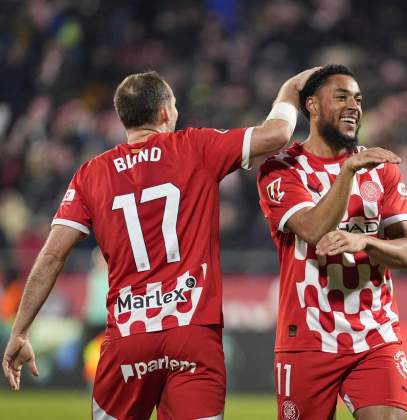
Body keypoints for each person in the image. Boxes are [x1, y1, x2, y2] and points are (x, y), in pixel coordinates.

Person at [2, 67, 318, 419]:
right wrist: (290, 90)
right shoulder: (195, 146)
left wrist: (20, 331)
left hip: (128, 337)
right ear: (166, 112)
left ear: (124, 118)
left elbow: (52, 255)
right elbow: (277, 134)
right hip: (192, 332)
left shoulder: (92, 173)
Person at [257, 65, 407, 420]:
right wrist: (347, 172)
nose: (354, 106)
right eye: (342, 96)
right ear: (311, 105)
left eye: (358, 99)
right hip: (306, 341)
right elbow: (314, 229)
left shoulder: (381, 168)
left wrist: (365, 242)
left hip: (374, 337)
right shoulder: (281, 169)